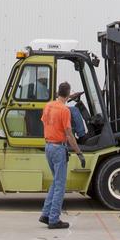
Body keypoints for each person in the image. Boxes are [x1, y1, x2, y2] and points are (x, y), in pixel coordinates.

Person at [40, 81, 85, 229]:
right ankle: (54, 219)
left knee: (56, 181)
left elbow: (46, 122)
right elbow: (70, 135)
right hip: (59, 148)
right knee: (60, 185)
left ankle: (45, 214)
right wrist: (79, 152)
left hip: (48, 147)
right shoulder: (64, 111)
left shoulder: (49, 106)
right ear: (67, 94)